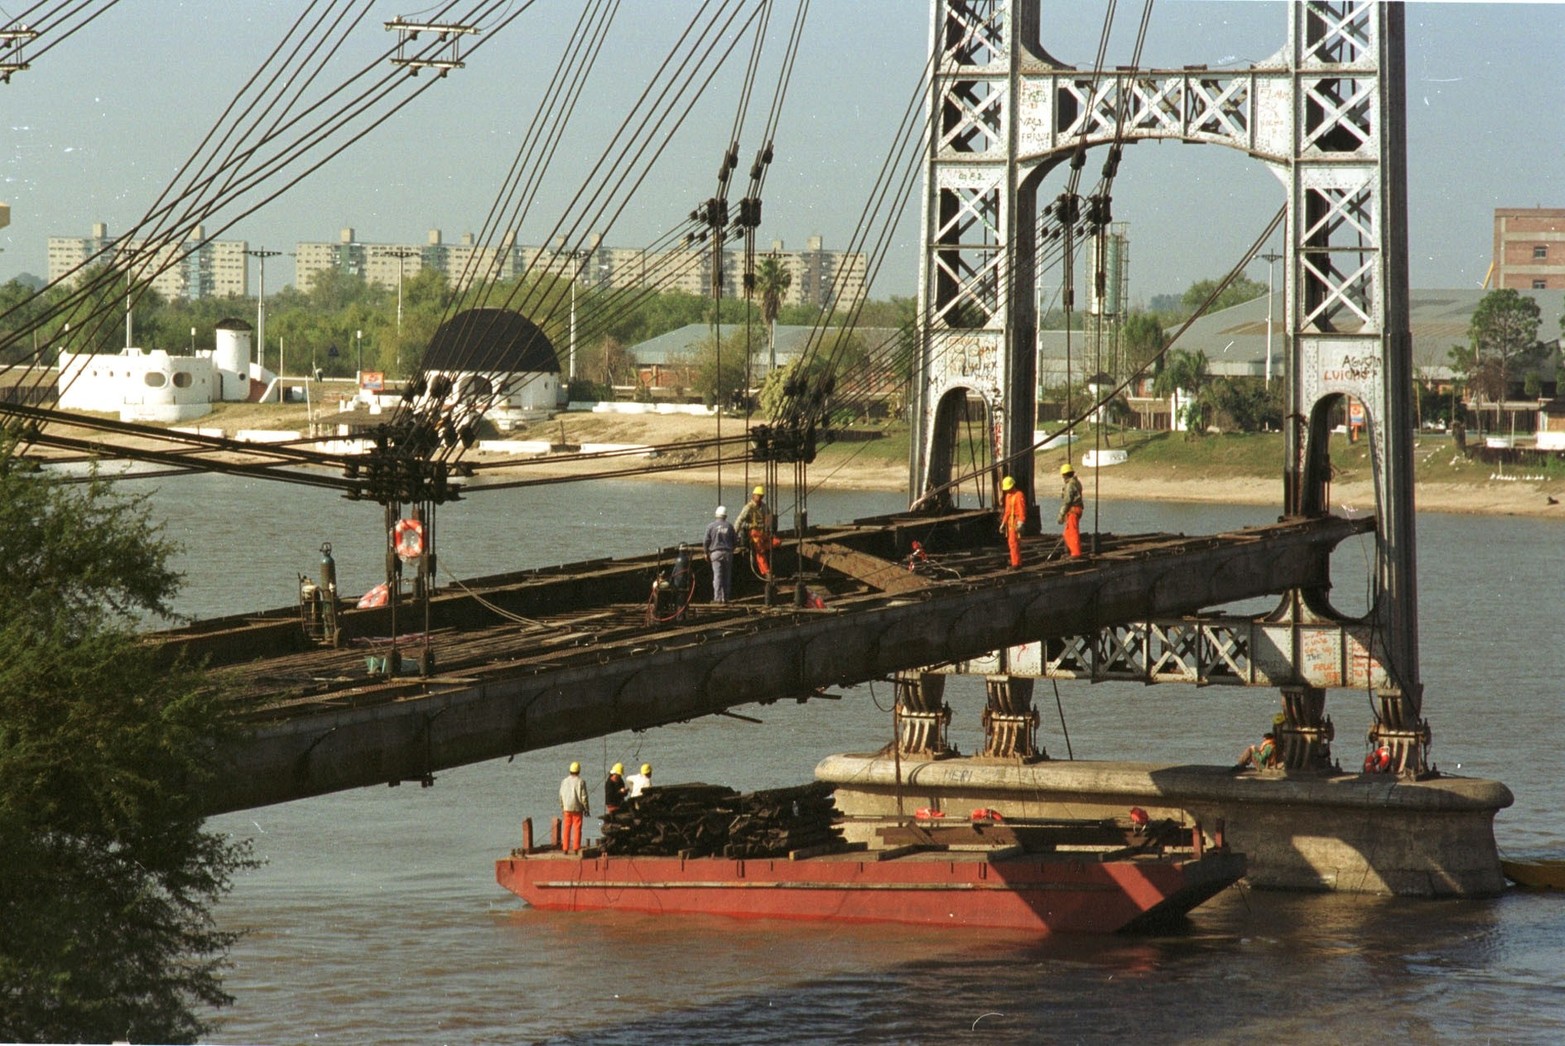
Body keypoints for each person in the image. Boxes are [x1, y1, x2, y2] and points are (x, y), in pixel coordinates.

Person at [734, 485, 779, 578]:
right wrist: (734, 534)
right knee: (760, 549)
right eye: (758, 495)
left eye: (761, 496)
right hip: (752, 534)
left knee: (777, 542)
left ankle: (763, 547)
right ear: (753, 496)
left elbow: (768, 518)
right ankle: (766, 572)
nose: (760, 498)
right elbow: (739, 520)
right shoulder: (748, 507)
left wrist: (770, 525)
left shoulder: (764, 507)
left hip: (763, 533)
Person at [704, 506, 738, 603]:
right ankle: (726, 598)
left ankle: (717, 599)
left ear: (716, 515)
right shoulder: (730, 526)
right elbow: (735, 541)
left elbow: (706, 541)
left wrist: (706, 553)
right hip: (728, 553)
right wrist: (731, 550)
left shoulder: (711, 526)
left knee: (717, 576)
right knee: (727, 576)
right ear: (725, 516)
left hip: (715, 553)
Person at [559, 760, 590, 852]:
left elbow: (560, 795)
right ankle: (576, 848)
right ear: (579, 771)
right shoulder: (581, 781)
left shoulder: (564, 781)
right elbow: (584, 797)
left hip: (566, 808)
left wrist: (562, 807)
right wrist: (586, 808)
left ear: (570, 770)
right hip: (577, 808)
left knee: (566, 828)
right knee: (577, 827)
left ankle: (565, 848)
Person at [998, 475, 1027, 569]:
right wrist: (1003, 524)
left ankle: (1016, 564)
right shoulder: (1008, 496)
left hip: (1016, 522)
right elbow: (1007, 511)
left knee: (1014, 543)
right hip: (1010, 523)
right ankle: (1016, 562)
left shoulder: (1019, 495)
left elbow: (1022, 510)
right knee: (1011, 543)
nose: (1007, 490)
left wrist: (1021, 522)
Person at [1057, 462, 1084, 557]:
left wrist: (1061, 514)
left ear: (1064, 475)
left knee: (1072, 533)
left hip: (1073, 510)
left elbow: (1067, 501)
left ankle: (1076, 553)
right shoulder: (1077, 482)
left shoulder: (1070, 485)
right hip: (1077, 509)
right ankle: (1073, 551)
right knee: (1068, 533)